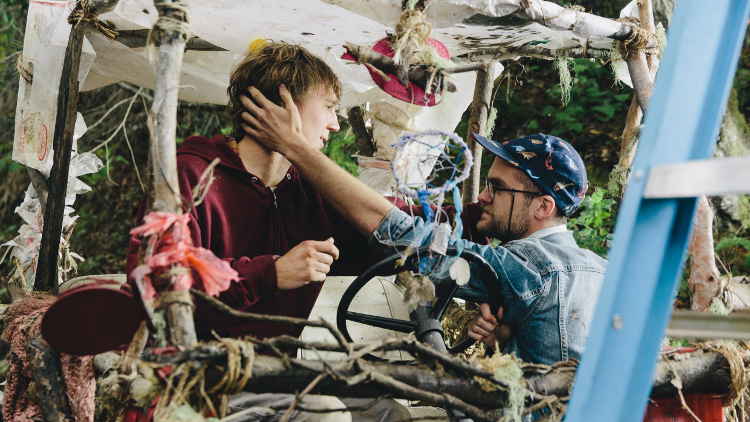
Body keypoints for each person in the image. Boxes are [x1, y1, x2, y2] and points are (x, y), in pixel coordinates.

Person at [126, 41, 484, 422]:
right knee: (326, 415)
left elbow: (399, 227)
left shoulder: (310, 191)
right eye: (329, 106)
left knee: (389, 413)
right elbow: (156, 282)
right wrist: (271, 273)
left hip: (277, 374)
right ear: (284, 106)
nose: (336, 122)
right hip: (198, 378)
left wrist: (483, 218)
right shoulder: (191, 175)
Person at [239, 85, 608, 366]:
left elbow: (404, 235)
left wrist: (296, 147)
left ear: (544, 206)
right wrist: (509, 336)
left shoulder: (530, 267)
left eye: (497, 188)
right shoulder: (603, 270)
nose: (481, 196)